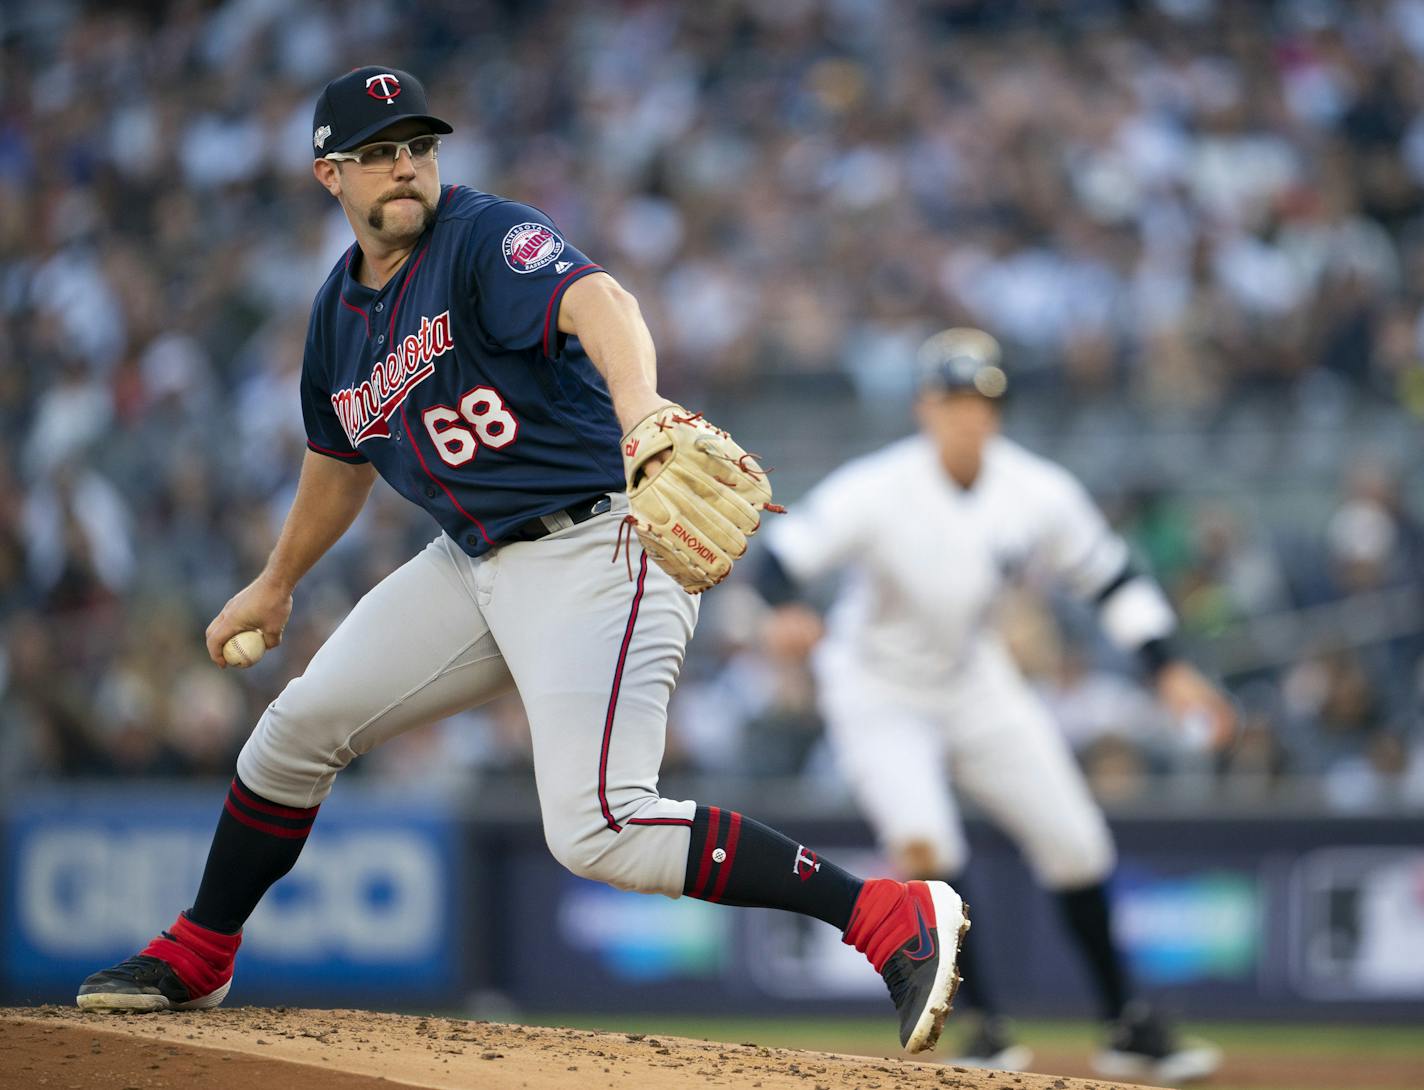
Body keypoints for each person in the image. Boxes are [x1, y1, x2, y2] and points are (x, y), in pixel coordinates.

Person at [73, 65, 970, 1055]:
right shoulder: (337, 317)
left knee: (597, 827)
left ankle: (882, 914)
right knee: (293, 732)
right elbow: (338, 461)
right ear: (331, 175)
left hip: (596, 545)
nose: (406, 167)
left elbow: (600, 301)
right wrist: (278, 578)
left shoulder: (480, 235)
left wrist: (642, 414)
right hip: (471, 564)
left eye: (417, 145)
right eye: (378, 153)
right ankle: (201, 948)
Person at [755, 328, 1232, 1084]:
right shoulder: (878, 487)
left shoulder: (1033, 488)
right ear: (924, 405)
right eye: (952, 397)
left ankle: (1127, 1024)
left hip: (974, 678)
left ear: (998, 409)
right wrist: (781, 608)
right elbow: (782, 557)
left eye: (981, 399)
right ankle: (982, 1025)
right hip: (877, 686)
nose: (967, 414)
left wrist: (1167, 667)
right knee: (925, 848)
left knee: (1077, 841)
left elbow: (1110, 577)